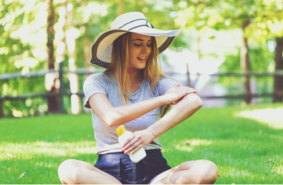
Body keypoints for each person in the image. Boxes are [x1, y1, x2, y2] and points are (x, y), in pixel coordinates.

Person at [58, 12, 218, 185]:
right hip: (109, 175)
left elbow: (194, 101)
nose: (146, 50)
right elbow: (111, 117)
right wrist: (162, 100)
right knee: (67, 168)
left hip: (155, 172)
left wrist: (149, 134)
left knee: (206, 169)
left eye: (149, 44)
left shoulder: (159, 83)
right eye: (137, 44)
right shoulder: (96, 82)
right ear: (120, 47)